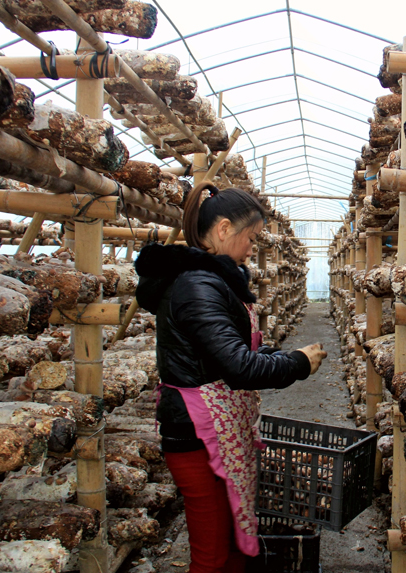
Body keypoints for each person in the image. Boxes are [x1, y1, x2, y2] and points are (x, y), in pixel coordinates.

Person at [134, 181, 327, 573]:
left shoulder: (211, 280)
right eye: (251, 238)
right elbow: (239, 367)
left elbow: (229, 354)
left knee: (233, 543)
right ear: (224, 230)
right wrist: (297, 364)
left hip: (212, 430)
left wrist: (279, 355)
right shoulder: (197, 285)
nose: (253, 248)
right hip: (197, 437)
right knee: (211, 554)